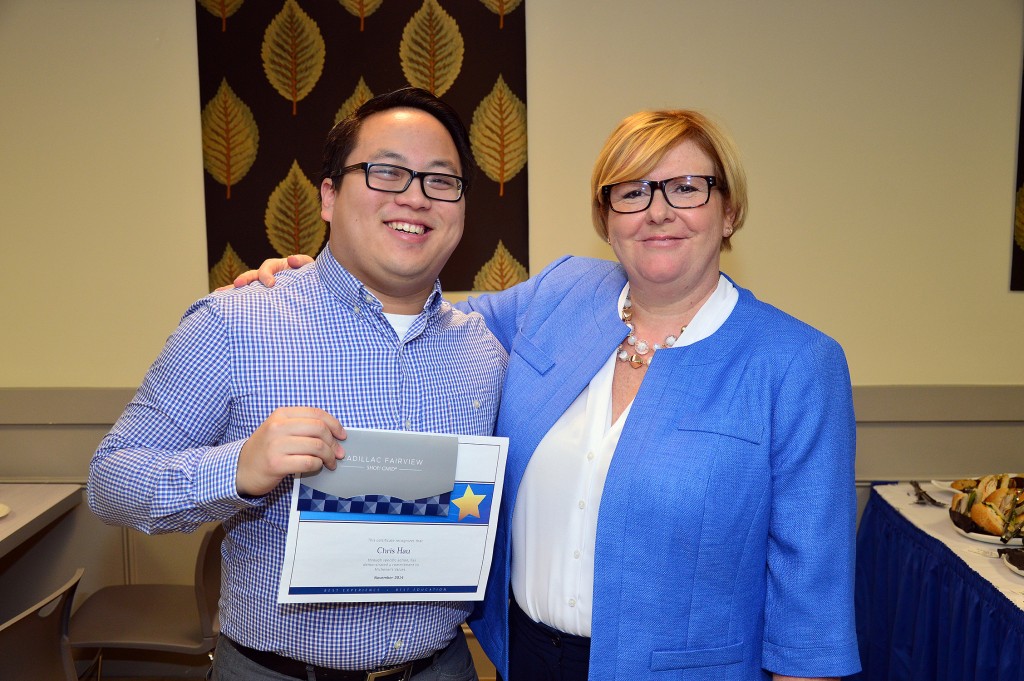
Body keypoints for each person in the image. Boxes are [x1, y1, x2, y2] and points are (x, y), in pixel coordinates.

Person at [235, 109, 861, 680]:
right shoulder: (561, 294)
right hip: (523, 660)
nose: (659, 210)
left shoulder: (796, 363)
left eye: (687, 188)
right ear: (607, 217)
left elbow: (812, 597)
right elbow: (426, 320)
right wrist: (311, 282)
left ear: (728, 212)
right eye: (633, 191)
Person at [89, 87, 508, 681]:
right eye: (386, 172)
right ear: (329, 196)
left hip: (441, 668)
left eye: (441, 180)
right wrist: (238, 469)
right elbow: (111, 481)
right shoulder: (235, 322)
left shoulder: (482, 352)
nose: (415, 197)